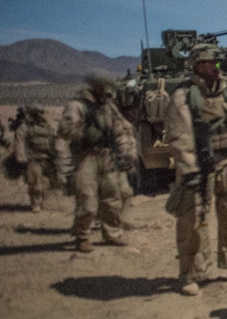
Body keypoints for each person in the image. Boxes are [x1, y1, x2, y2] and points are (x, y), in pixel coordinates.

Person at [164, 44, 227, 296]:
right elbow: (179, 136)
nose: (213, 67)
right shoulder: (184, 96)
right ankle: (190, 275)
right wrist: (189, 171)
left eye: (216, 63)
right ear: (196, 65)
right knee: (193, 223)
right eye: (207, 63)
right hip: (199, 166)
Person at [58, 70, 137, 252]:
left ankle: (112, 234)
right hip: (86, 157)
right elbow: (64, 130)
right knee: (87, 200)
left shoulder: (108, 107)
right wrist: (85, 133)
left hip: (107, 156)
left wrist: (126, 152)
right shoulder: (77, 106)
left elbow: (120, 130)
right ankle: (82, 236)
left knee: (112, 197)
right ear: (96, 86)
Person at [12, 104, 59, 212]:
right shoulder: (25, 126)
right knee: (35, 183)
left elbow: (53, 139)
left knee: (47, 183)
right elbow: (19, 141)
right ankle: (36, 204)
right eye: (38, 112)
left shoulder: (46, 126)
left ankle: (42, 202)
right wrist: (21, 157)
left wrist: (56, 153)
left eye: (42, 112)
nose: (40, 114)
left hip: (47, 158)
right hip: (32, 159)